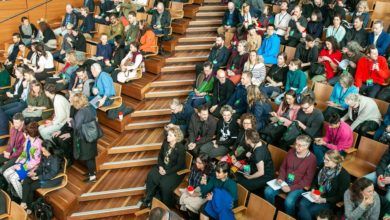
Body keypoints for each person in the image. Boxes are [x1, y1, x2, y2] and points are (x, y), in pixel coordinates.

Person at [264, 135, 317, 216]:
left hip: (298, 185)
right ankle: (272, 212)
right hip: (284, 181)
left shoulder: (312, 159)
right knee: (268, 191)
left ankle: (289, 217)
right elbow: (283, 167)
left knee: (289, 202)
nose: (296, 146)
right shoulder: (291, 151)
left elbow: (307, 180)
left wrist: (290, 188)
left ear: (307, 146)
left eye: (300, 145)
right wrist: (280, 178)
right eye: (296, 144)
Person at [298, 150, 350, 220]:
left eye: (327, 160)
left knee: (308, 211)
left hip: (329, 200)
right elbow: (314, 180)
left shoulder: (344, 176)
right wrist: (313, 189)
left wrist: (324, 200)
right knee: (301, 204)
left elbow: (340, 196)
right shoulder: (323, 165)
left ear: (335, 161)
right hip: (317, 193)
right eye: (324, 158)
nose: (324, 161)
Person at [141, 127, 185, 208]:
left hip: (174, 171)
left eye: (170, 135)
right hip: (164, 166)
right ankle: (148, 198)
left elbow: (179, 165)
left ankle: (166, 205)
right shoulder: (165, 142)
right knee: (151, 175)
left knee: (164, 185)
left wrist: (166, 172)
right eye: (168, 134)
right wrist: (160, 167)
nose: (167, 136)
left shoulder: (181, 148)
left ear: (176, 137)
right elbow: (160, 156)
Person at [3, 122, 42, 199]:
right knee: (6, 173)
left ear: (29, 134)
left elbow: (35, 162)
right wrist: (18, 163)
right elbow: (24, 153)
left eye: (25, 133)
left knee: (13, 178)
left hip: (31, 167)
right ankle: (15, 191)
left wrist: (22, 167)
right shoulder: (28, 139)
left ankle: (23, 198)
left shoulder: (37, 144)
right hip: (24, 163)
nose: (24, 134)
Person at [20, 142, 62, 212]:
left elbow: (52, 174)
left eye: (45, 151)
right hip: (43, 175)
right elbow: (40, 167)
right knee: (26, 179)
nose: (43, 153)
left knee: (31, 186)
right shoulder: (45, 155)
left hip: (52, 179)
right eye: (42, 151)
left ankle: (29, 207)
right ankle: (24, 202)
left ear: (50, 150)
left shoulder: (55, 159)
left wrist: (38, 177)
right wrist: (35, 173)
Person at [70, 93, 98, 183]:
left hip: (85, 138)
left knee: (89, 158)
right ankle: (91, 172)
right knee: (91, 157)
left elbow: (77, 127)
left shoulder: (81, 112)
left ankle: (92, 177)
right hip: (91, 136)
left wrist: (71, 122)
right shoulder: (88, 108)